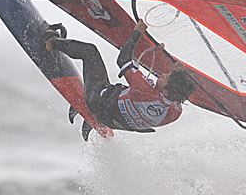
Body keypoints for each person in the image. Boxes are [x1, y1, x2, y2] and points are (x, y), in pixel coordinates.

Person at [45, 20, 193, 133]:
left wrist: (137, 32)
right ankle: (99, 117)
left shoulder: (145, 90)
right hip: (115, 122)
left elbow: (122, 60)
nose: (163, 74)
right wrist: (178, 74)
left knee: (90, 52)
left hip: (98, 102)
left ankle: (51, 42)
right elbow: (178, 94)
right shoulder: (175, 112)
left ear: (166, 92)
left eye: (165, 78)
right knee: (124, 94)